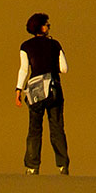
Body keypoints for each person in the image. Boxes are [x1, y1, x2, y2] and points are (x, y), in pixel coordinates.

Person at [14, 12, 69, 174]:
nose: (49, 26)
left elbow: (24, 69)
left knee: (34, 129)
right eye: (47, 24)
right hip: (54, 90)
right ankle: (62, 165)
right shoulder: (55, 44)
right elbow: (64, 69)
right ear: (41, 27)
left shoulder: (26, 46)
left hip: (35, 91)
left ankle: (32, 166)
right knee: (57, 128)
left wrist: (18, 89)